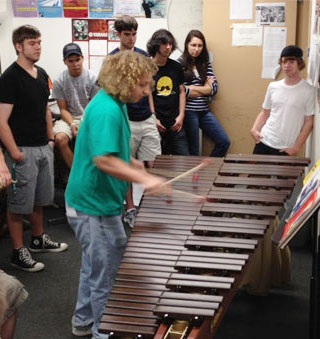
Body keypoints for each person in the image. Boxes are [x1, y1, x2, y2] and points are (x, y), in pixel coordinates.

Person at [65, 51, 164, 339]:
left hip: (96, 201)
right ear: (125, 80)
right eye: (143, 85)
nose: (147, 92)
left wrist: (140, 168)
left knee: (97, 262)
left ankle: (83, 321)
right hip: (91, 204)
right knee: (106, 273)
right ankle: (101, 333)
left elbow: (116, 153)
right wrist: (144, 178)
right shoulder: (107, 110)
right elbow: (104, 160)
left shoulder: (115, 102)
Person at [0, 25, 68, 273]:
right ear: (19, 46)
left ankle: (38, 239)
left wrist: (50, 140)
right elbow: (1, 121)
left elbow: (44, 110)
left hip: (42, 147)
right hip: (21, 150)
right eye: (32, 43)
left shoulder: (41, 74)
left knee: (40, 199)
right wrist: (14, 153)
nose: (38, 46)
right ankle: (18, 253)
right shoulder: (9, 78)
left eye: (39, 42)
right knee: (18, 205)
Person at [110, 15, 161, 228]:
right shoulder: (112, 60)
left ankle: (149, 207)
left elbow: (147, 87)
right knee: (127, 166)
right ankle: (130, 207)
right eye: (126, 34)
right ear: (118, 35)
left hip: (146, 118)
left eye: (133, 34)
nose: (131, 39)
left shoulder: (142, 57)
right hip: (127, 120)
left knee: (152, 163)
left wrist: (152, 113)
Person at [251, 45, 315, 156]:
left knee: (284, 174)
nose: (286, 66)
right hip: (265, 140)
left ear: (299, 63)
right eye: (284, 62)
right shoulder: (273, 86)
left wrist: (296, 147)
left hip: (285, 148)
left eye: (291, 62)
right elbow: (265, 112)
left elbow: (309, 121)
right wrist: (255, 129)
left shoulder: (308, 90)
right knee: (254, 173)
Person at [179, 30, 230, 157]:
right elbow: (182, 92)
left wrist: (193, 88)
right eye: (193, 45)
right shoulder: (179, 64)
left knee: (224, 141)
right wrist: (204, 88)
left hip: (204, 111)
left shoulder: (204, 64)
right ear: (187, 45)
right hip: (189, 112)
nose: (196, 49)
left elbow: (213, 88)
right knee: (194, 151)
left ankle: (208, 169)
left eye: (200, 46)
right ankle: (195, 176)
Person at [53, 43, 99, 169]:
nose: (75, 64)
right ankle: (76, 172)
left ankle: (92, 172)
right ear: (65, 62)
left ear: (82, 58)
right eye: (71, 61)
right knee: (60, 139)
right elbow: (63, 109)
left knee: (95, 139)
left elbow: (94, 108)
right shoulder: (59, 80)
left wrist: (83, 124)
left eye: (77, 60)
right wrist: (73, 124)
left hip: (89, 116)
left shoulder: (93, 78)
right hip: (69, 117)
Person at [147, 29, 189, 155]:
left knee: (184, 158)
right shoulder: (147, 67)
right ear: (156, 45)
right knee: (157, 163)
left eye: (170, 44)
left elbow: (182, 91)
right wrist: (153, 118)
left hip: (175, 122)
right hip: (156, 122)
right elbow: (147, 93)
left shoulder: (176, 67)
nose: (168, 47)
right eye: (164, 44)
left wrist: (181, 115)